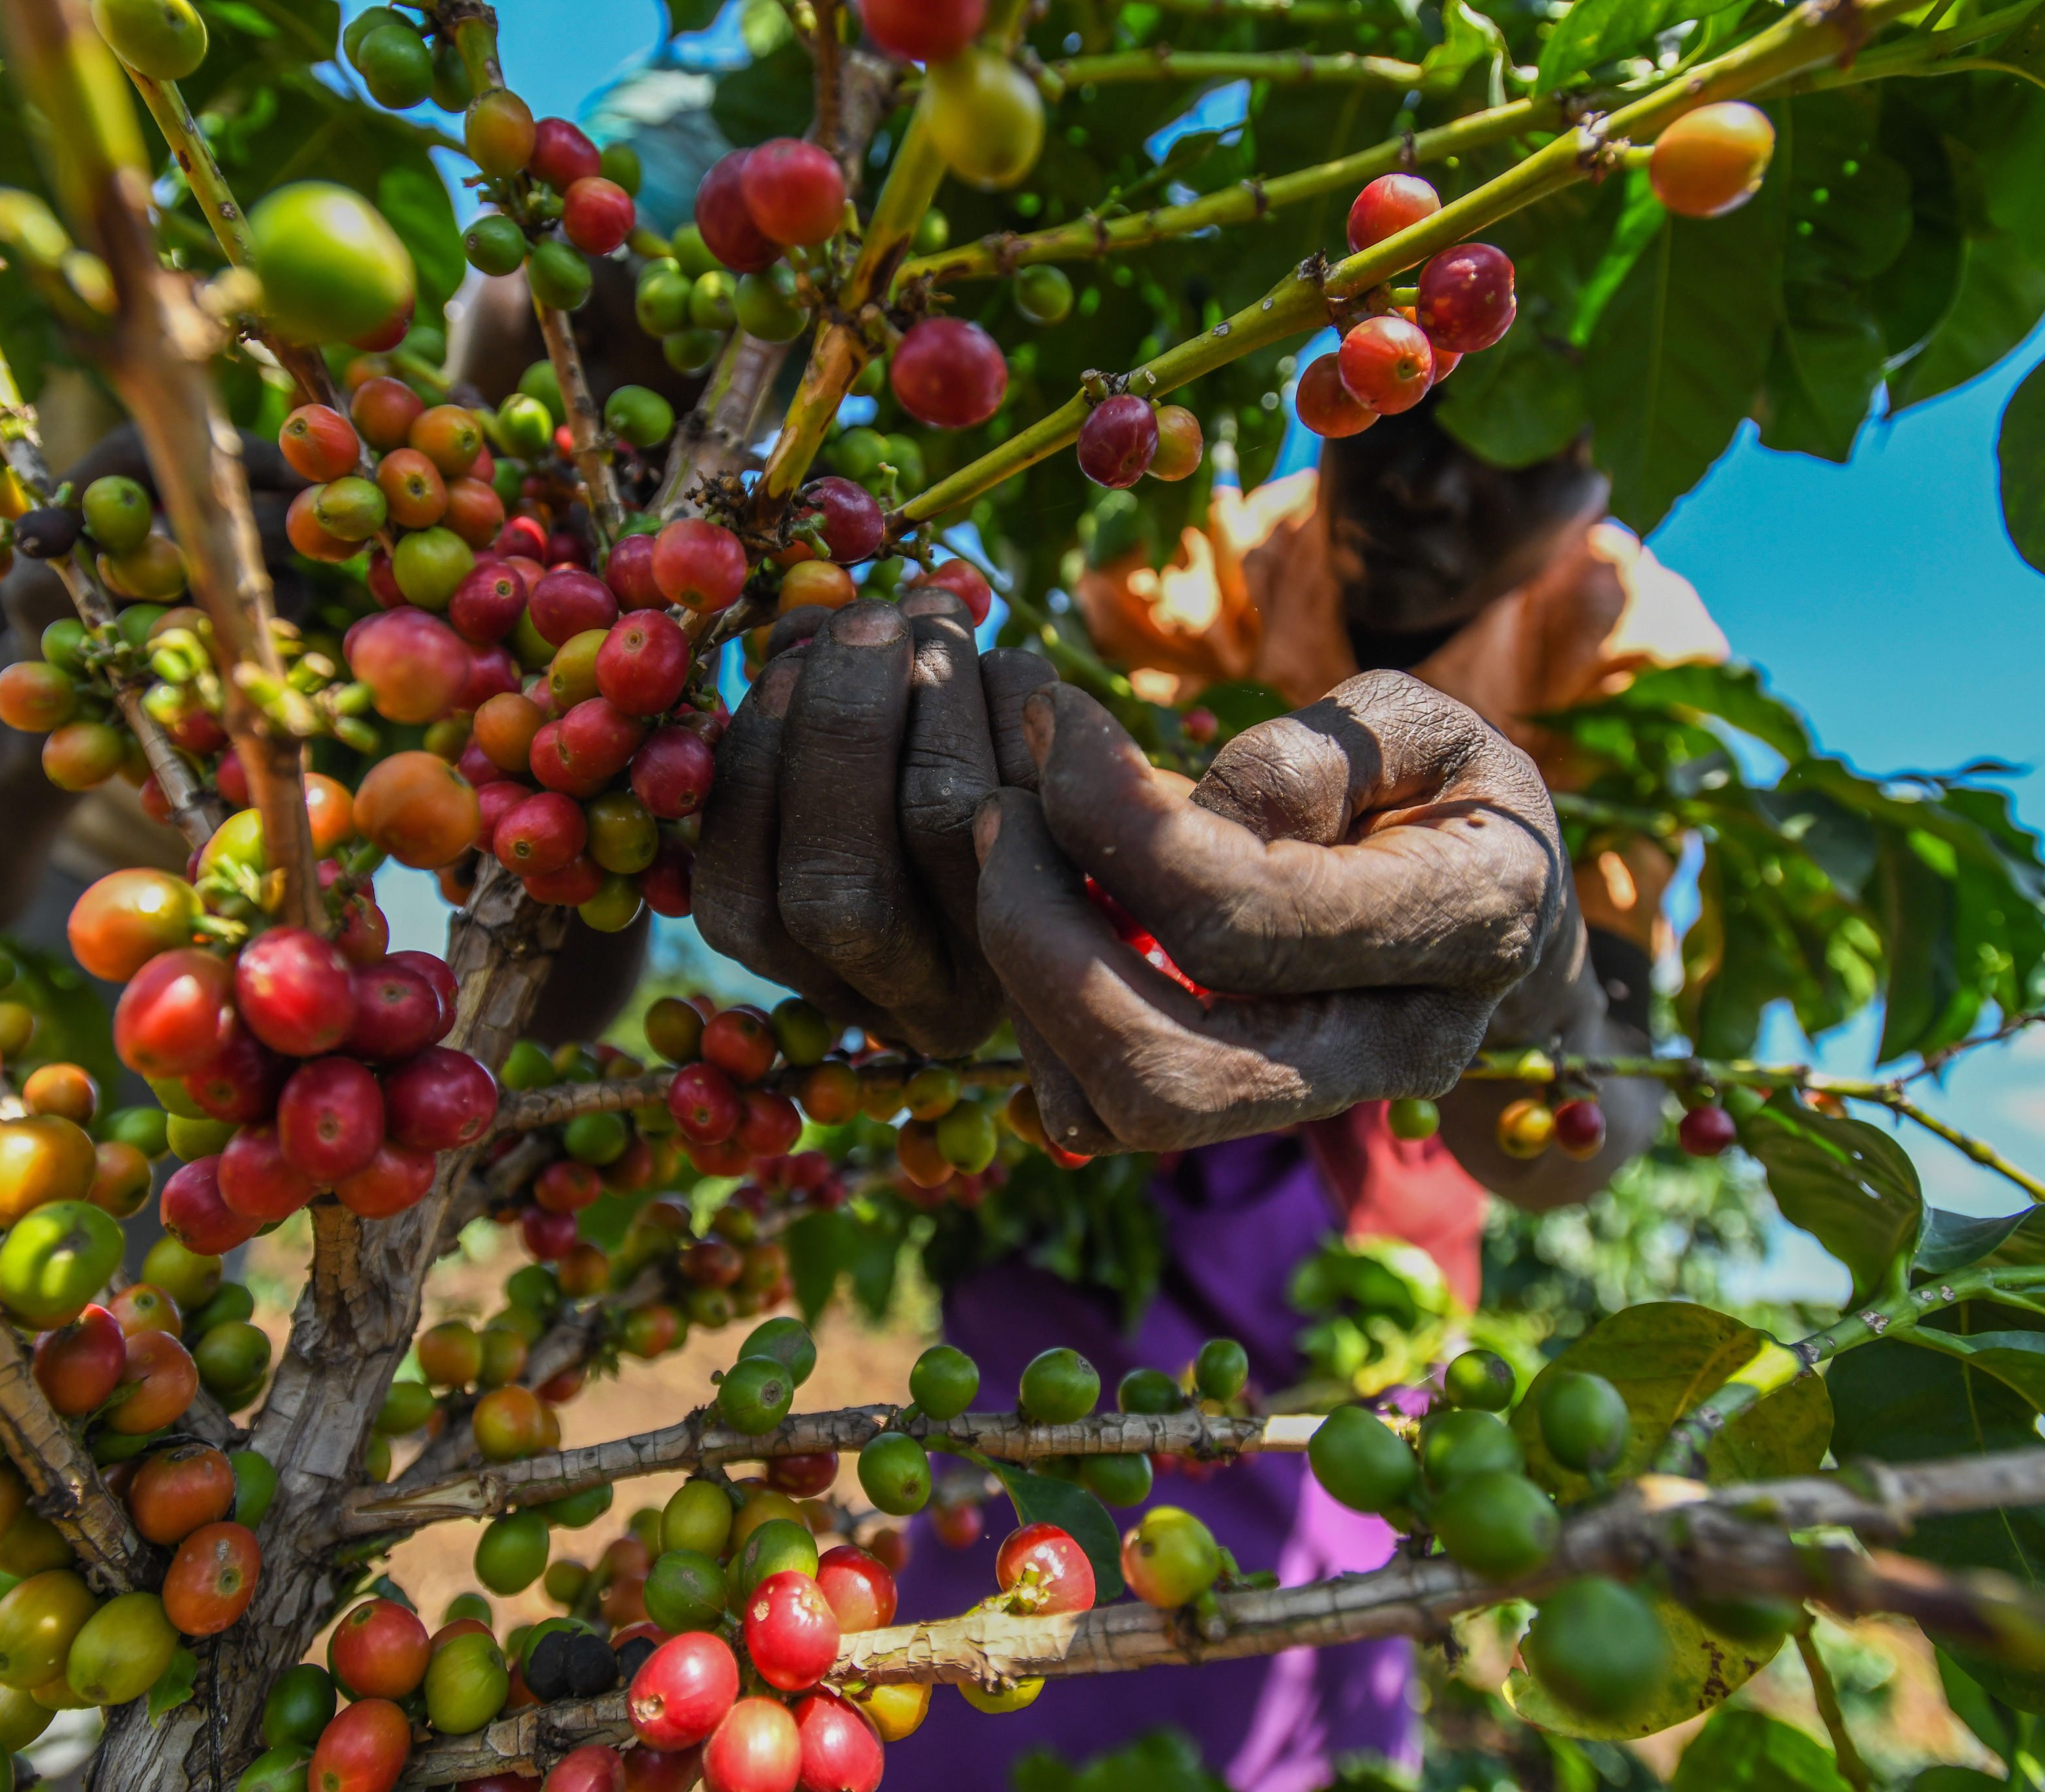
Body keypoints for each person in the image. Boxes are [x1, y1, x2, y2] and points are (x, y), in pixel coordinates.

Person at [693, 395, 1727, 1787]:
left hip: (1347, 1273)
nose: (1422, 487)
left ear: (1600, 462)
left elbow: (1586, 1136)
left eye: (1513, 441)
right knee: (983, 1621)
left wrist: (1533, 976)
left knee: (1283, 1646)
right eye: (1398, 418)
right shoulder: (1204, 551)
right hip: (1076, 1173)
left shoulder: (1627, 647)